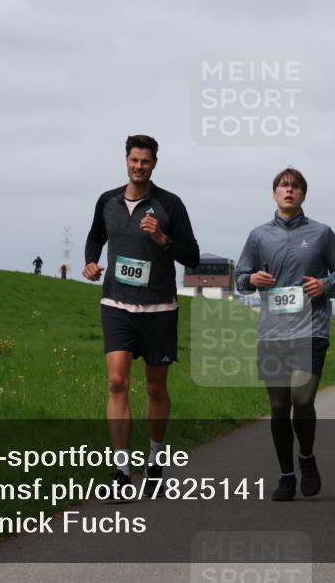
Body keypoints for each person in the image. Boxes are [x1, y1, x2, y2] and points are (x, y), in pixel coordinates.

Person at [83, 134, 200, 495]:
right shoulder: (108, 201)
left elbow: (192, 256)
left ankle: (155, 457)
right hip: (117, 305)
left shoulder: (170, 205)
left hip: (159, 308)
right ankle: (121, 472)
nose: (139, 166)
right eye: (134, 160)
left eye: (145, 161)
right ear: (126, 161)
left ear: (154, 164)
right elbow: (95, 236)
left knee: (155, 388)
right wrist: (90, 262)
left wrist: (163, 239)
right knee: (117, 383)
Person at [235, 167, 335, 502]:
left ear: (303, 194)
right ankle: (287, 476)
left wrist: (325, 285)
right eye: (283, 186)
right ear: (274, 193)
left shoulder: (322, 233)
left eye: (295, 187)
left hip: (311, 329)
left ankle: (307, 458)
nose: (289, 191)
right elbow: (241, 277)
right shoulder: (258, 236)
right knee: (278, 405)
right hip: (272, 333)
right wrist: (251, 280)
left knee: (302, 400)